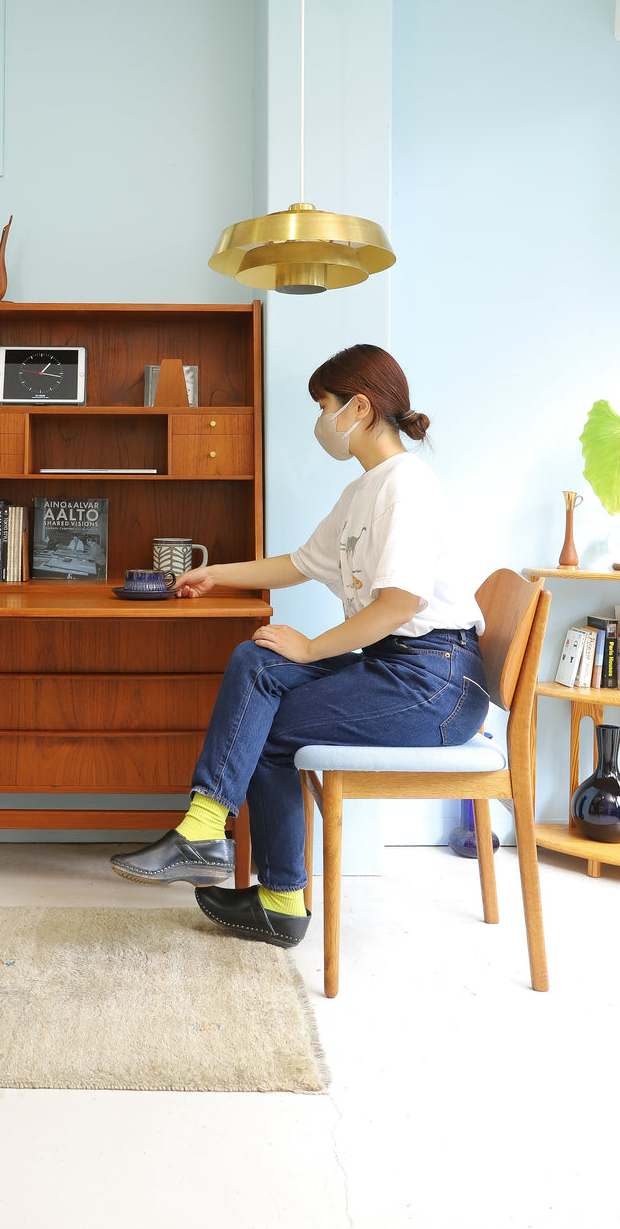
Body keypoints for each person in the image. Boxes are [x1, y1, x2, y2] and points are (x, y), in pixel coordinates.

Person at [110, 343, 490, 949]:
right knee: (256, 661)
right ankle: (208, 835)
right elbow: (299, 563)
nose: (320, 420)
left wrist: (311, 648)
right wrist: (215, 574)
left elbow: (400, 604)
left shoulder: (406, 487)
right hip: (400, 667)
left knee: (265, 725)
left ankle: (276, 895)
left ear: (358, 408)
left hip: (436, 685)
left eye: (324, 405)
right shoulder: (365, 490)